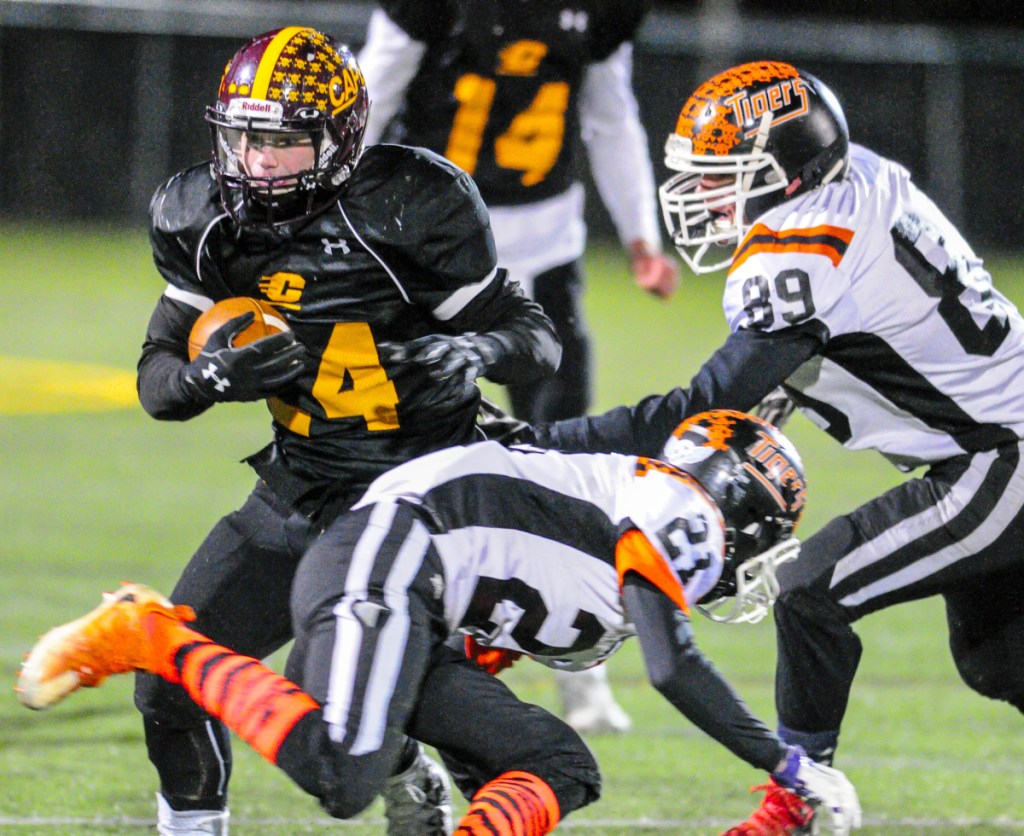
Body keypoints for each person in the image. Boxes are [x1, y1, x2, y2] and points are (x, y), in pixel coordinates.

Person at [520, 60, 1024, 835]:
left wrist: (539, 442)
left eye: (724, 179)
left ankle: (792, 806)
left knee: (812, 592)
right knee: (1000, 660)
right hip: (984, 446)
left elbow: (696, 409)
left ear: (789, 174)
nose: (705, 198)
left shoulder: (803, 253)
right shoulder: (859, 180)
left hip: (1001, 457)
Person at [19, 410, 862, 836]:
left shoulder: (622, 520)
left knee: (559, 762)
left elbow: (470, 661)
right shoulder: (680, 509)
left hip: (402, 600)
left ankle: (368, 745)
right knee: (343, 776)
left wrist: (447, 764)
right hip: (384, 559)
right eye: (768, 535)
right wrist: (785, 762)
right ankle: (146, 634)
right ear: (736, 508)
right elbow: (673, 668)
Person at [133, 25, 561, 836]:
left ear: (339, 138)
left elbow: (536, 337)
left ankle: (416, 767)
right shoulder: (202, 216)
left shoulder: (409, 205)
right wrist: (209, 378)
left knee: (431, 727)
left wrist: (476, 346)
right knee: (168, 679)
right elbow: (159, 382)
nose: (258, 160)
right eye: (244, 137)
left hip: (417, 506)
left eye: (285, 141)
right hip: (300, 490)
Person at [357, 0, 679, 736]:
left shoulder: (596, 15)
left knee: (572, 462)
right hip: (430, 250)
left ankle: (584, 670)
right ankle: (387, 641)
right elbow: (371, 93)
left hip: (543, 249)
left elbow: (608, 114)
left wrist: (640, 235)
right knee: (404, 458)